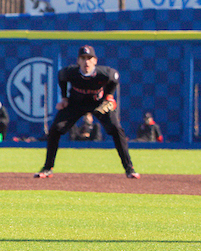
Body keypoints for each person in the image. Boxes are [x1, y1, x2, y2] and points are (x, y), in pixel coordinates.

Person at [36, 45, 139, 179]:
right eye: (83, 58)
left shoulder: (103, 73)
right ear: (78, 61)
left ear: (95, 61)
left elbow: (115, 77)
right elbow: (61, 76)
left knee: (116, 129)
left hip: (98, 104)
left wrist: (108, 95)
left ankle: (129, 169)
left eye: (89, 58)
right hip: (75, 103)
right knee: (55, 129)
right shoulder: (70, 72)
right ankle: (47, 168)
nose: (86, 62)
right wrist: (64, 98)